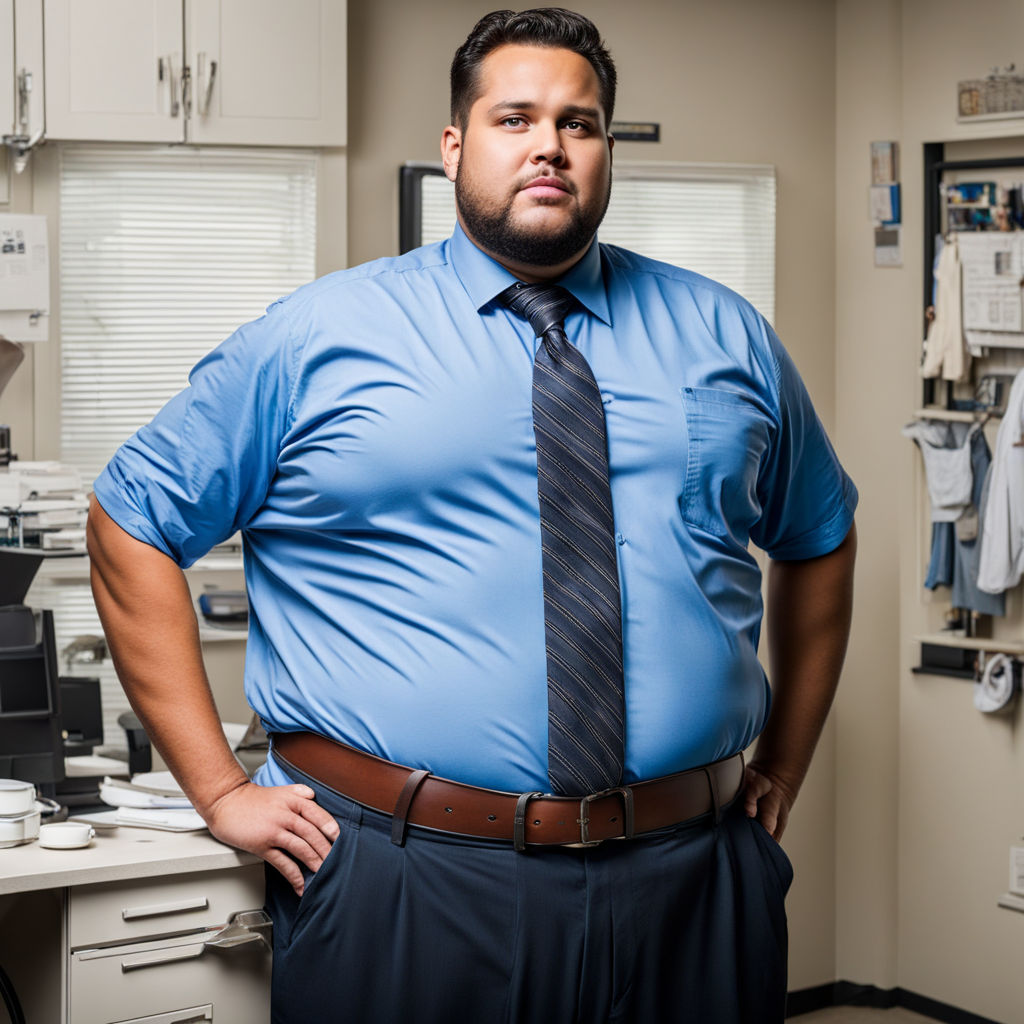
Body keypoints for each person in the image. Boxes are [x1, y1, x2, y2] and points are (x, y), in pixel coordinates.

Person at [87, 8, 857, 1022]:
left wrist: (783, 766)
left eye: (578, 124)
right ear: (455, 146)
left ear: (607, 150)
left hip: (692, 880)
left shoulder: (723, 333)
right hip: (406, 879)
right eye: (515, 118)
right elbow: (128, 519)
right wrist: (219, 790)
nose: (549, 144)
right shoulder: (318, 338)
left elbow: (819, 535)